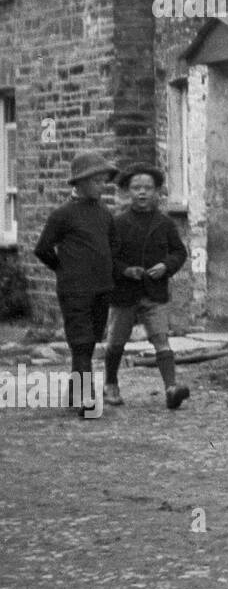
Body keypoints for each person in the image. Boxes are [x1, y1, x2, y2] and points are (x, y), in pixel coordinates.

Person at [33, 153, 119, 417]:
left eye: (103, 181)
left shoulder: (105, 214)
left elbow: (112, 247)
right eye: (95, 181)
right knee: (80, 342)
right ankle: (85, 399)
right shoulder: (63, 215)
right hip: (74, 290)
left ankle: (74, 392)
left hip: (101, 288)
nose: (100, 186)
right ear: (79, 183)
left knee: (89, 341)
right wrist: (63, 268)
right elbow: (43, 248)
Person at [105, 163, 190, 409]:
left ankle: (171, 388)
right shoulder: (118, 223)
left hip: (154, 292)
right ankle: (111, 383)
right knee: (116, 342)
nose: (142, 193)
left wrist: (166, 266)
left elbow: (179, 252)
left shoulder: (164, 223)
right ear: (127, 192)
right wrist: (124, 270)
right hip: (124, 293)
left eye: (148, 188)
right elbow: (108, 257)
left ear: (157, 192)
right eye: (136, 188)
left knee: (161, 340)